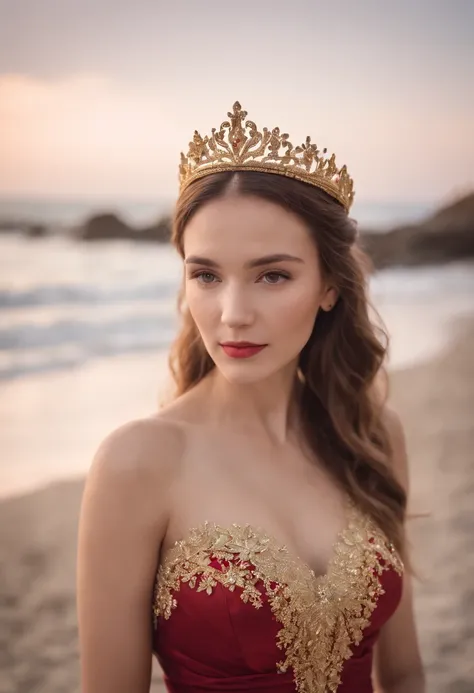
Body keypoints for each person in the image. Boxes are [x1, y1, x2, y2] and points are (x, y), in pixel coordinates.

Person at [77, 102, 425, 693]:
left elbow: (407, 672)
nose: (232, 316)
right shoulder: (137, 463)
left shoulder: (371, 435)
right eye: (206, 275)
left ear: (329, 287)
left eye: (272, 275)